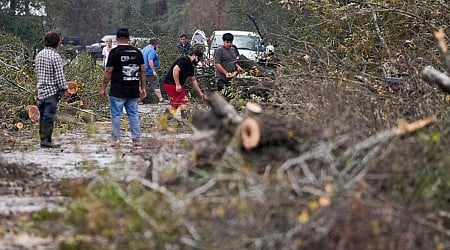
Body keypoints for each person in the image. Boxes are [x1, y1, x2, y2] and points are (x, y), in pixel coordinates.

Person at [100, 27, 147, 148]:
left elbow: (108, 72)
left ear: (116, 39)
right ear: (129, 38)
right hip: (133, 90)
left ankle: (115, 140)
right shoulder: (137, 52)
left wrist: (103, 87)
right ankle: (137, 141)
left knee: (116, 115)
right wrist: (143, 88)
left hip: (117, 91)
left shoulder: (114, 53)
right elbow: (143, 71)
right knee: (134, 114)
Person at [35, 31, 70, 148]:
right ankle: (46, 141)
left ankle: (43, 139)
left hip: (41, 91)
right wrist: (65, 89)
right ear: (57, 42)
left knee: (42, 116)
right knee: (49, 116)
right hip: (51, 92)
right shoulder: (55, 57)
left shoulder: (39, 55)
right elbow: (59, 76)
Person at [162, 49, 207, 119]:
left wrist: (200, 93)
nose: (198, 61)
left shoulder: (191, 67)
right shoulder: (184, 60)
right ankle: (185, 119)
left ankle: (166, 117)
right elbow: (175, 70)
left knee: (176, 103)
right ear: (194, 55)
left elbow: (193, 80)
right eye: (198, 59)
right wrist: (177, 84)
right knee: (183, 101)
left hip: (174, 84)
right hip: (171, 83)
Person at [142, 37, 165, 103]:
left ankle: (139, 100)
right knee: (155, 84)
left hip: (142, 70)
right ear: (155, 44)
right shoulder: (151, 50)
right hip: (149, 71)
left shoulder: (144, 49)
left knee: (142, 85)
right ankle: (161, 99)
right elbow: (150, 60)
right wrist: (153, 71)